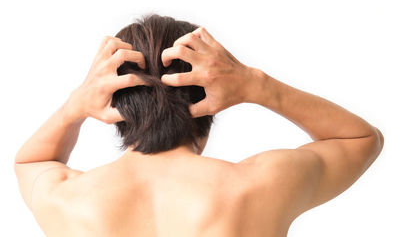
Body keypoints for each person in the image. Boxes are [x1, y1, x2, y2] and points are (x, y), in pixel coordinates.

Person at [14, 14, 384, 237]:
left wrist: (74, 106)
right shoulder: (258, 185)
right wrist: (257, 85)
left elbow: (30, 162)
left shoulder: (66, 198)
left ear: (116, 107)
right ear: (211, 106)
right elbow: (360, 138)